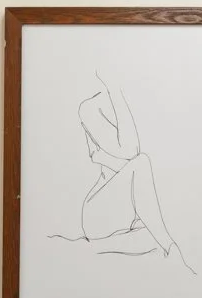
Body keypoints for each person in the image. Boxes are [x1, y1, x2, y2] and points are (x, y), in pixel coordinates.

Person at [52, 73, 190, 270]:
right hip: (98, 212)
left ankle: (168, 245)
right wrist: (115, 89)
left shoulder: (130, 97)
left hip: (123, 211)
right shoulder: (89, 107)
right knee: (141, 162)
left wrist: (117, 90)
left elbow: (130, 156)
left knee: (140, 163)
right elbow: (130, 155)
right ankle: (170, 247)